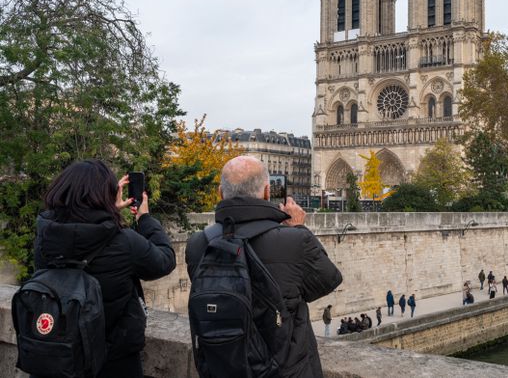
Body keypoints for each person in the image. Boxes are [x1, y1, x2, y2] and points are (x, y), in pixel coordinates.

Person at [185, 156, 342, 378]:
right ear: (268, 192)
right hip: (286, 371)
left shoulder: (198, 244)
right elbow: (329, 280)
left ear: (220, 193)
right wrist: (299, 229)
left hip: (223, 370)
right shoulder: (294, 242)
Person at [33, 160, 176, 378]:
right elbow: (164, 261)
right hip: (111, 359)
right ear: (107, 194)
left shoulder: (46, 235)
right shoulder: (123, 241)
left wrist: (109, 211)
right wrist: (144, 218)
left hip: (57, 354)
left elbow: (80, 234)